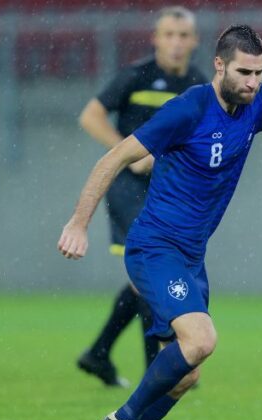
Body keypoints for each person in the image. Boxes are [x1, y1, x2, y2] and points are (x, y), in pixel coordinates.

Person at [58, 24, 262, 420]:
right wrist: (77, 223)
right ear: (219, 65)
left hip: (190, 257)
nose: (253, 82)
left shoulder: (260, 103)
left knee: (184, 375)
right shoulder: (187, 109)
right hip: (153, 248)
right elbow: (113, 159)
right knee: (202, 339)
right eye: (244, 72)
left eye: (260, 72)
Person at [75, 6, 208, 388]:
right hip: (128, 189)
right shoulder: (137, 75)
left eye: (184, 36)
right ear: (156, 38)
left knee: (145, 280)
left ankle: (100, 353)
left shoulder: (198, 84)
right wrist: (129, 154)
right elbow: (91, 116)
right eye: (169, 35)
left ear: (195, 41)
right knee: (149, 271)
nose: (177, 43)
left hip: (168, 193)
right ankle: (161, 365)